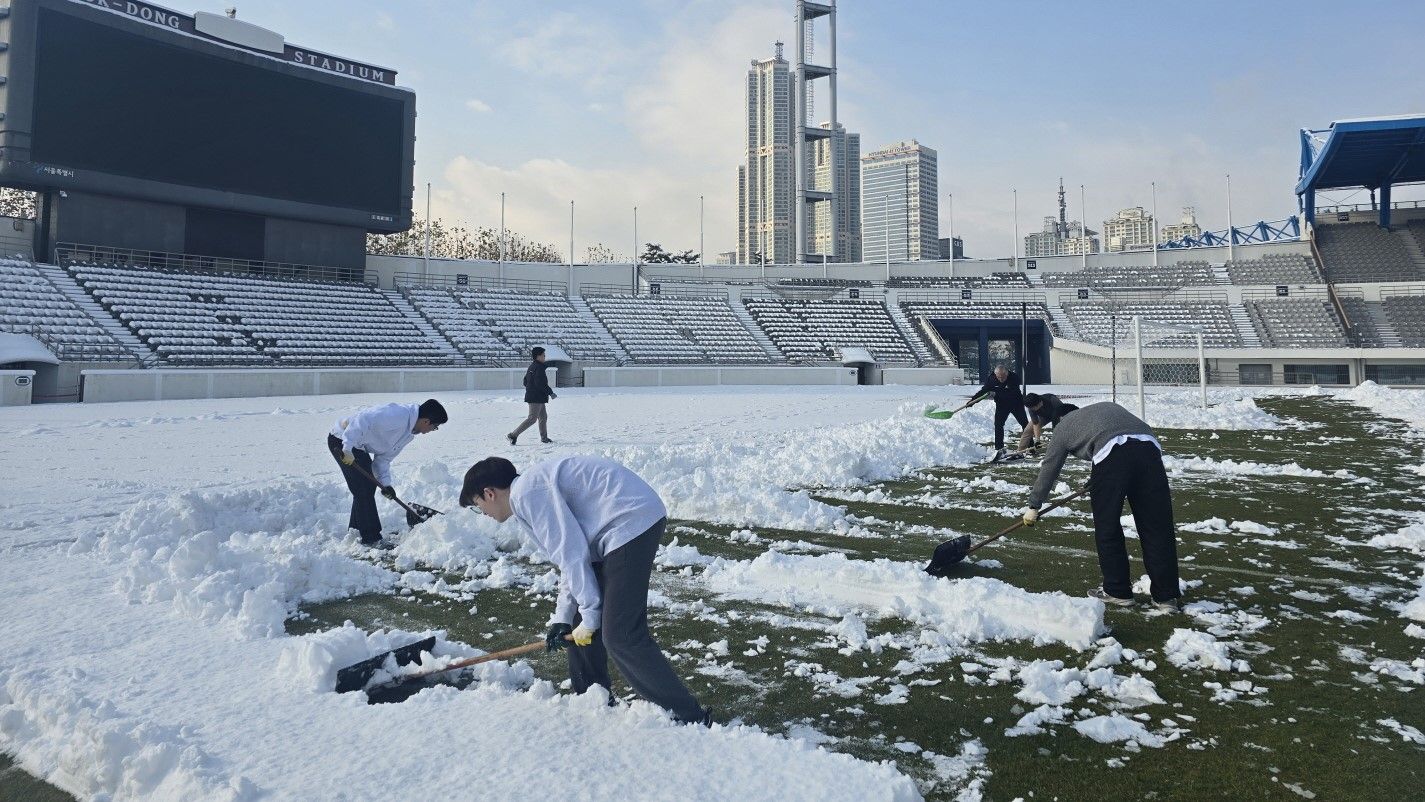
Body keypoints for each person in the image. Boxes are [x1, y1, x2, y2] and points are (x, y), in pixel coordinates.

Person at [460, 455, 710, 725]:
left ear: (489, 493)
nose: (483, 513)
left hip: (630, 521)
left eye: (478, 506)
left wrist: (591, 616)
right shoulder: (527, 495)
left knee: (621, 635)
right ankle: (591, 697)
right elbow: (570, 561)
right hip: (615, 528)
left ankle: (687, 715)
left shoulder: (528, 493)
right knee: (579, 625)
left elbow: (572, 553)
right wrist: (563, 618)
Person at [1020, 402, 1181, 611]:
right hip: (1149, 448)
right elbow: (1121, 447)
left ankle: (1117, 591)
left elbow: (1050, 466)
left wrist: (1034, 504)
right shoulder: (1102, 409)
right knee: (1157, 526)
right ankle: (1166, 597)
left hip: (1111, 452)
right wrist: (1098, 478)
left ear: (1058, 420)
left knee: (1108, 525)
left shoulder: (1063, 426)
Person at [328, 398, 448, 548]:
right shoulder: (398, 415)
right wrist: (347, 447)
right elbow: (362, 420)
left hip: (358, 446)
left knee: (364, 487)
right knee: (364, 487)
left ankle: (357, 530)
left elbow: (383, 460)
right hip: (342, 439)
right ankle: (371, 538)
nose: (432, 431)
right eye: (435, 427)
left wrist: (386, 484)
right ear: (426, 421)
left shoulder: (408, 434)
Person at [966, 364, 1027, 453]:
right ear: (995, 375)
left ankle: (1030, 446)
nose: (1001, 379)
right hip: (1002, 405)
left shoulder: (1014, 377)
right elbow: (984, 391)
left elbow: (1011, 393)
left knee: (1025, 424)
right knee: (998, 425)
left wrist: (995, 393)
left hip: (1016, 403)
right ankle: (999, 448)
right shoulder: (991, 379)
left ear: (1007, 374)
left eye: (1003, 377)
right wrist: (973, 401)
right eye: (999, 377)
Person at [508, 346, 556, 445]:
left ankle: (544, 438)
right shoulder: (539, 368)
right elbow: (540, 384)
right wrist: (550, 392)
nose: (544, 357)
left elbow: (525, 381)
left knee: (543, 417)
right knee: (532, 419)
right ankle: (513, 435)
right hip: (536, 397)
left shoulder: (533, 366)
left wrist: (530, 388)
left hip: (537, 396)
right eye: (543, 355)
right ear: (538, 356)